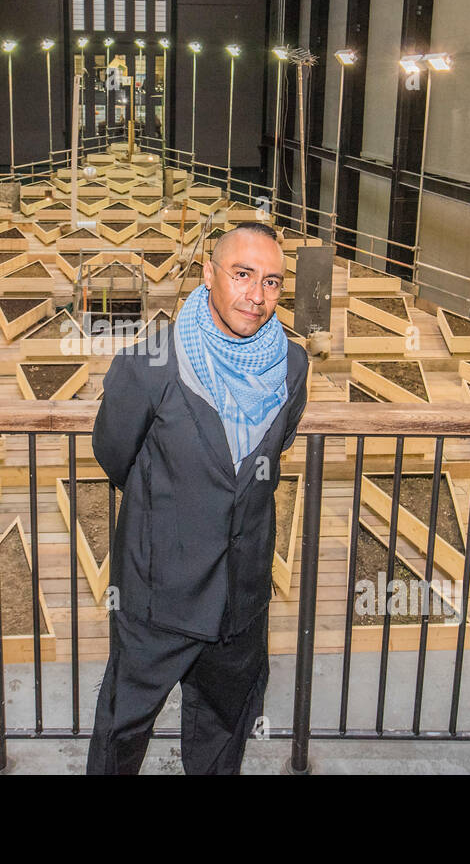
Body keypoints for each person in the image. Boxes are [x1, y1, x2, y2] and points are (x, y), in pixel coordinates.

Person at [87, 222, 309, 775]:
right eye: (242, 275)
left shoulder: (293, 367)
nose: (256, 296)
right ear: (208, 274)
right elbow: (115, 455)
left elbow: (266, 461)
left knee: (222, 738)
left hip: (240, 599)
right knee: (123, 730)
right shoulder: (149, 366)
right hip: (158, 597)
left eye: (272, 282)